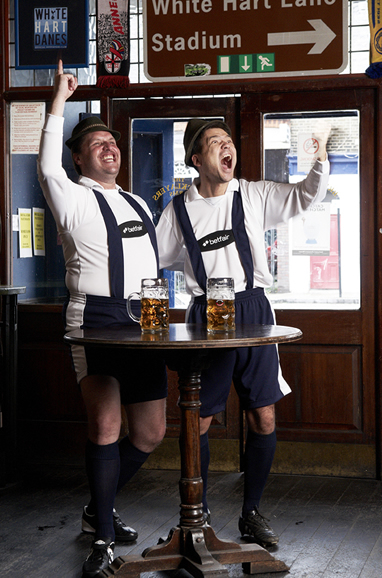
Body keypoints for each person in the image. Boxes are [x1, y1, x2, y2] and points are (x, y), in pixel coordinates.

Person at [156, 118, 330, 548]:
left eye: (229, 140)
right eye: (216, 142)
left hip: (253, 309)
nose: (226, 146)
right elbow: (151, 260)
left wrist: (320, 158)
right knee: (199, 419)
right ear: (197, 160)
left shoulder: (253, 193)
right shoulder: (177, 211)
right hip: (204, 315)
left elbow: (307, 194)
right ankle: (199, 511)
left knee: (263, 415)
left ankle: (251, 511)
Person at [37, 60, 167, 578]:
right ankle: (105, 541)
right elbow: (45, 167)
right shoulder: (70, 195)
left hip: (146, 320)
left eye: (113, 141)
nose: (109, 147)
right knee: (106, 424)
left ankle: (97, 506)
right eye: (96, 143)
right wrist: (58, 103)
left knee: (152, 433)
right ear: (78, 158)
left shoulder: (138, 201)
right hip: (96, 317)